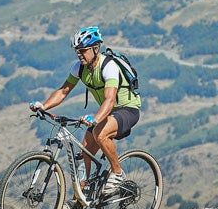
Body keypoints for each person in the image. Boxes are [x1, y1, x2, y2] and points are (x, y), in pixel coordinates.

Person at [30, 26, 141, 198]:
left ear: (96, 49)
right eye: (77, 51)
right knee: (83, 154)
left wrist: (96, 118)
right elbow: (63, 91)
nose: (79, 54)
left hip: (127, 109)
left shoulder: (108, 66)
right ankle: (80, 197)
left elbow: (110, 100)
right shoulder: (79, 68)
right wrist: (43, 106)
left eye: (83, 50)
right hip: (107, 112)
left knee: (100, 133)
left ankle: (117, 173)